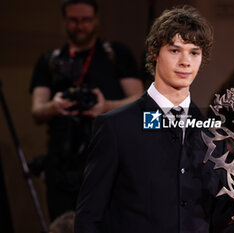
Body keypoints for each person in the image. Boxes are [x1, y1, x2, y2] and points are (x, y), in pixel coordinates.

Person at [74, 5, 234, 233]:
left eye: (194, 52)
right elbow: (89, 217)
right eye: (175, 50)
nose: (186, 61)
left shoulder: (210, 132)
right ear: (154, 53)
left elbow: (215, 217)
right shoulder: (116, 127)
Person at [30, 0, 143, 220]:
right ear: (64, 21)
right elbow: (37, 111)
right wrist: (55, 106)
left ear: (96, 20)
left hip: (109, 162)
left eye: (86, 20)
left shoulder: (115, 54)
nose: (79, 26)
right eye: (73, 20)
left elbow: (140, 102)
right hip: (62, 166)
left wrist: (106, 107)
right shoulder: (50, 61)